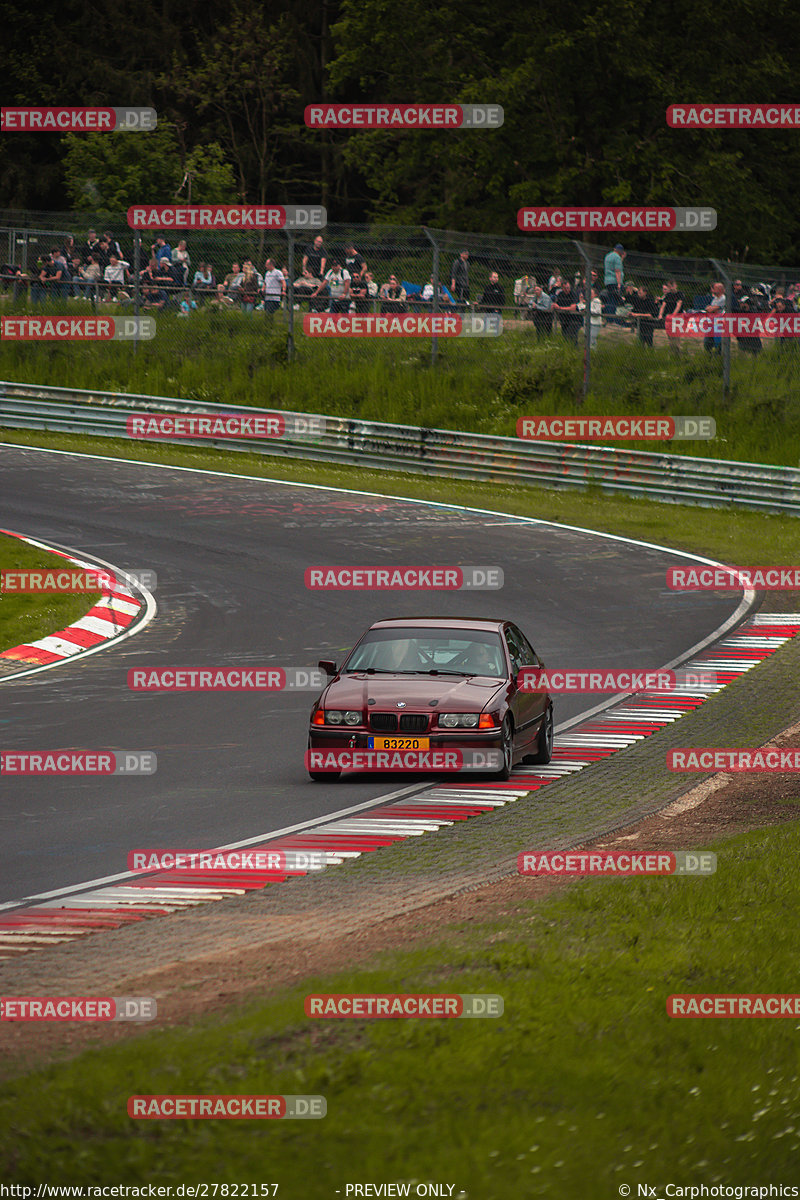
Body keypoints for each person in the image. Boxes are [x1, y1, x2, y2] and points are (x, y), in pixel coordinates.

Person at [657, 279, 685, 355]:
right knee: (670, 337)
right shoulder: (668, 295)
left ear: (675, 286)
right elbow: (663, 305)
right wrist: (660, 314)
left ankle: (678, 353)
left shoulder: (680, 294)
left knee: (676, 337)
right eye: (670, 286)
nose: (671, 288)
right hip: (669, 318)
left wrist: (673, 315)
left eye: (672, 286)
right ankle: (673, 352)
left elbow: (678, 305)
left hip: (677, 318)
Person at [552, 278, 581, 344]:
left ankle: (574, 349)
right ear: (562, 288)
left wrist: (560, 308)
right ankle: (567, 349)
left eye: (568, 288)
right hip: (564, 319)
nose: (567, 290)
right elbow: (557, 304)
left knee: (571, 335)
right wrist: (555, 306)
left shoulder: (573, 294)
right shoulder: (560, 294)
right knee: (565, 336)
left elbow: (573, 308)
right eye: (565, 288)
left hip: (574, 319)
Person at [704, 281, 726, 353]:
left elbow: (712, 309)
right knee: (707, 341)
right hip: (711, 321)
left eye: (715, 288)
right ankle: (709, 354)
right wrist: (710, 309)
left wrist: (710, 309)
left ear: (720, 289)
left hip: (718, 321)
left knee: (717, 340)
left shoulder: (723, 299)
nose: (712, 289)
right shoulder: (715, 298)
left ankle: (718, 353)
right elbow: (708, 308)